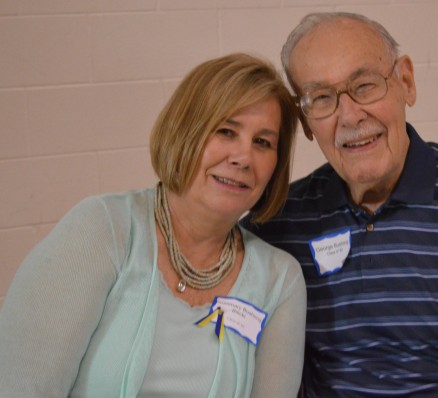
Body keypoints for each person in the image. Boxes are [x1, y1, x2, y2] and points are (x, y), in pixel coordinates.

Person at [241, 12, 438, 397]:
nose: (349, 115)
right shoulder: (280, 222)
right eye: (322, 98)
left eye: (364, 86)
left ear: (406, 83)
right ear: (306, 121)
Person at [0, 53, 306, 398]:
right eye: (226, 131)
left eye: (262, 142)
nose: (243, 157)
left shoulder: (280, 280)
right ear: (185, 132)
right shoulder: (102, 229)